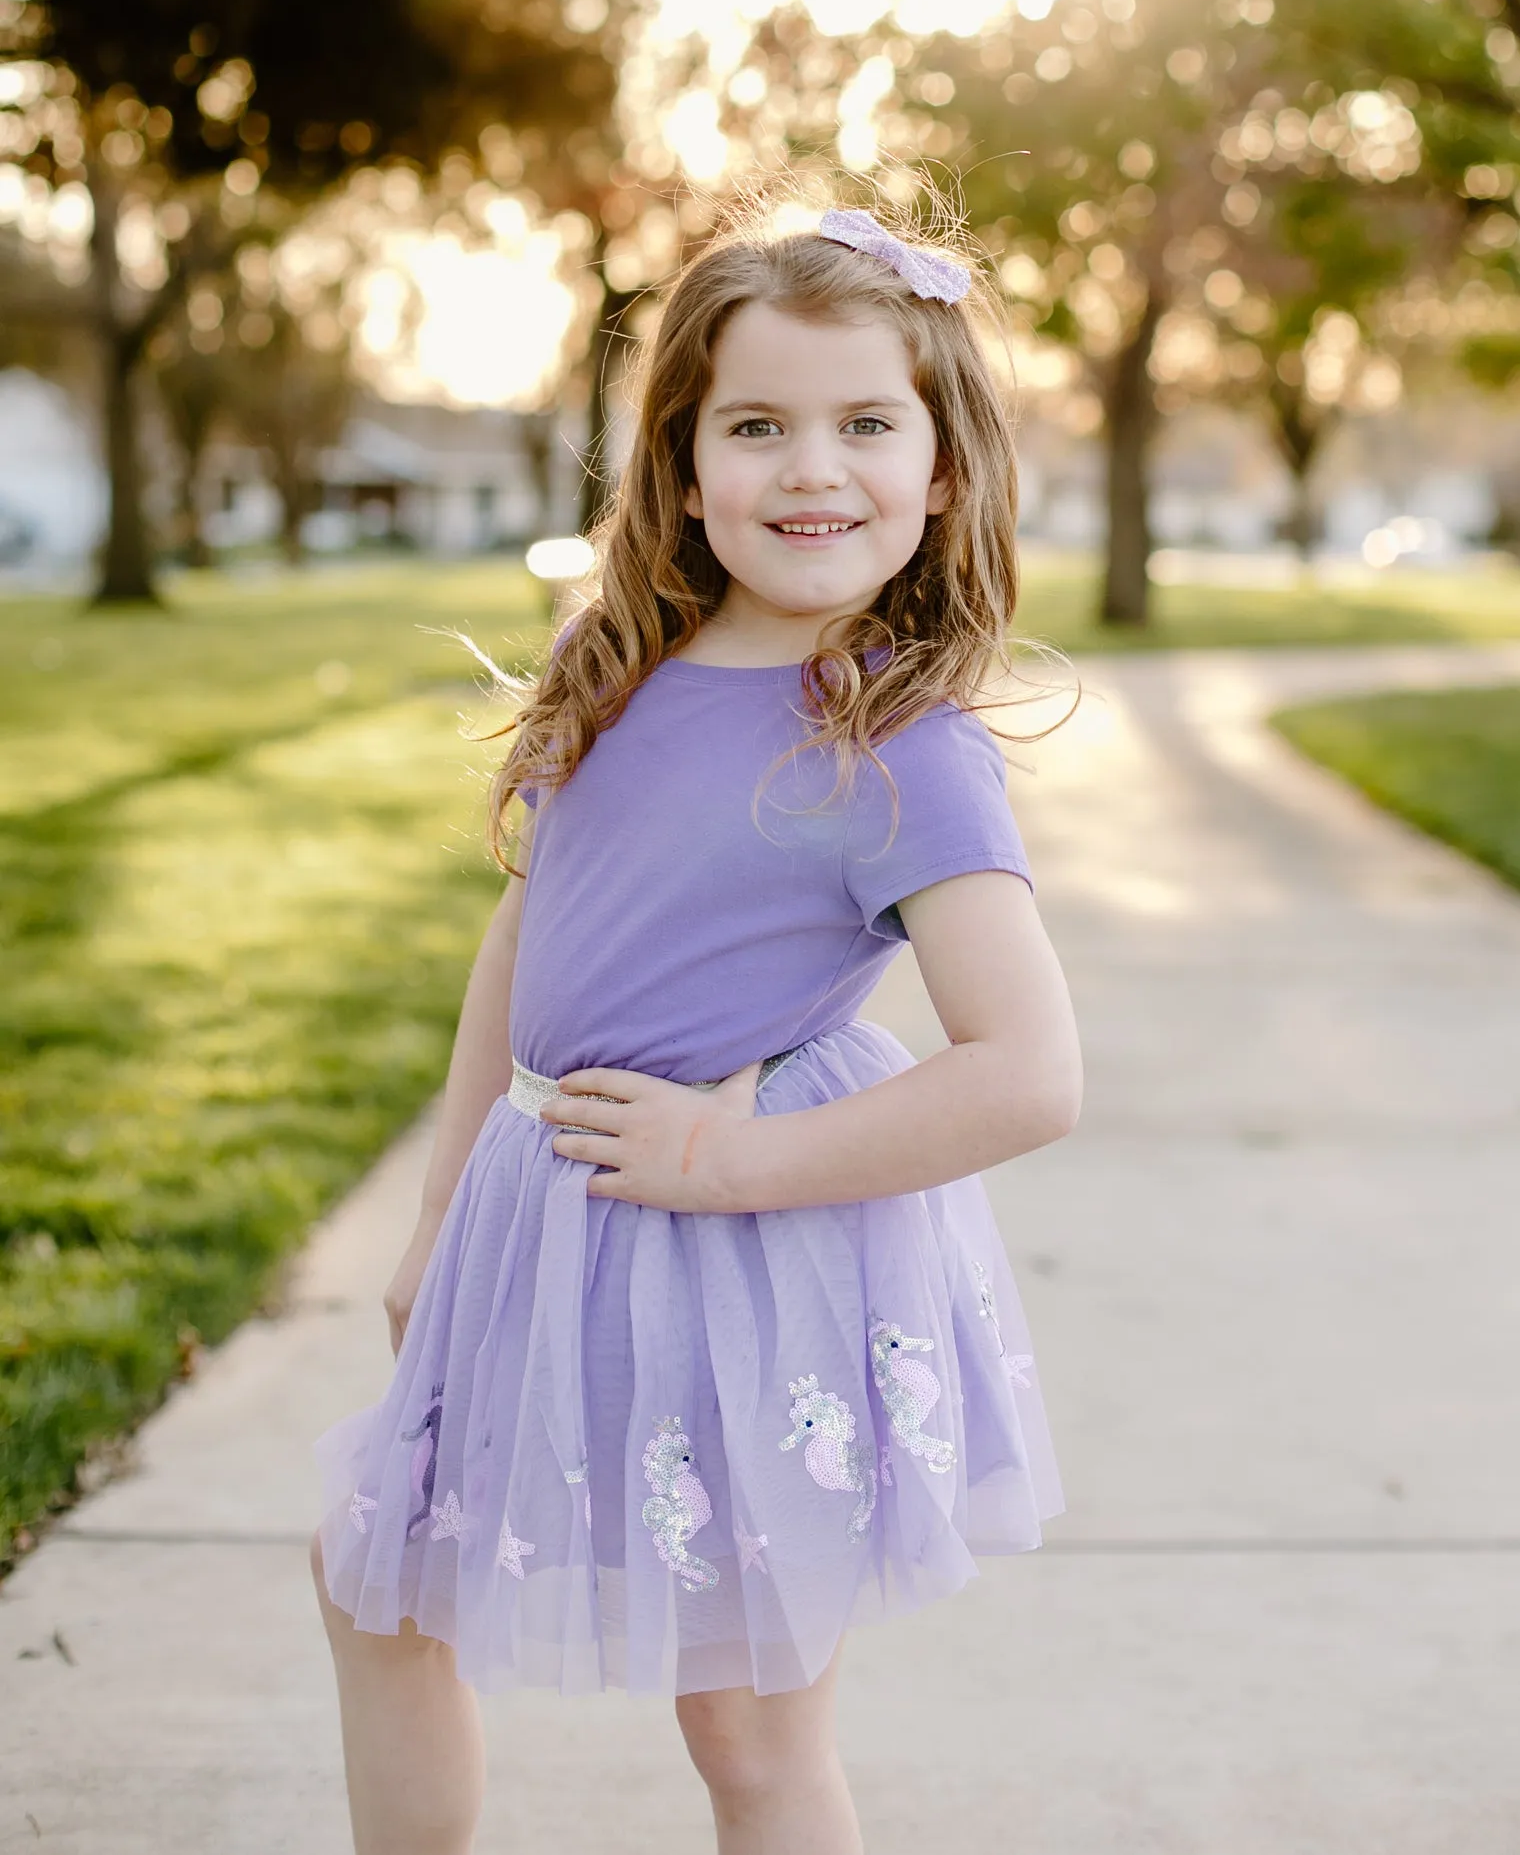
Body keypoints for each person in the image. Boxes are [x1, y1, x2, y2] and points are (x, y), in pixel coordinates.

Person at [313, 199, 1081, 1855]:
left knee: (743, 1723)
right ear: (681, 462)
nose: (815, 468)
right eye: (759, 425)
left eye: (868, 422)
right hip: (543, 1219)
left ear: (944, 467)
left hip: (730, 1256)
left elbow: (1029, 1071)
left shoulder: (899, 740)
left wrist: (728, 1160)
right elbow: (528, 929)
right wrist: (438, 1216)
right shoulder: (626, 663)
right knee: (374, 1582)